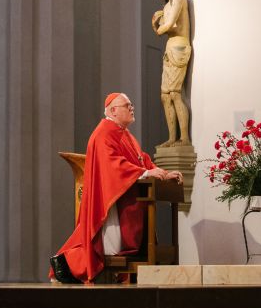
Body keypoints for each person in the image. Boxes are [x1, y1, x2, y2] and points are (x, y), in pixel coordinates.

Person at [50, 92, 183, 284]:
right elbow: (113, 165)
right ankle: (66, 267)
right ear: (113, 111)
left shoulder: (124, 134)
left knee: (114, 249)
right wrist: (145, 173)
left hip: (126, 200)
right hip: (112, 204)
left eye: (131, 105)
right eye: (127, 105)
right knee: (107, 249)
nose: (132, 108)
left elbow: (142, 160)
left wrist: (161, 172)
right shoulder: (103, 133)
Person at [151, 0, 192, 147]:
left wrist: (156, 26)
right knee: (165, 96)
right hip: (170, 48)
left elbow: (168, 25)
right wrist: (158, 25)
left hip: (179, 48)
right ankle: (171, 138)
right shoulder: (167, 6)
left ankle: (184, 138)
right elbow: (167, 27)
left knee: (175, 93)